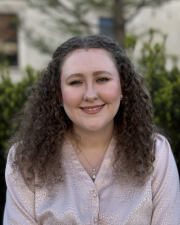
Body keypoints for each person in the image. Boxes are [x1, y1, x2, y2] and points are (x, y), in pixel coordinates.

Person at [3, 35, 180, 225]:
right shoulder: (25, 159)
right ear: (58, 94)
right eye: (75, 82)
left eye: (102, 79)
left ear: (123, 87)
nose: (90, 94)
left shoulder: (156, 154)